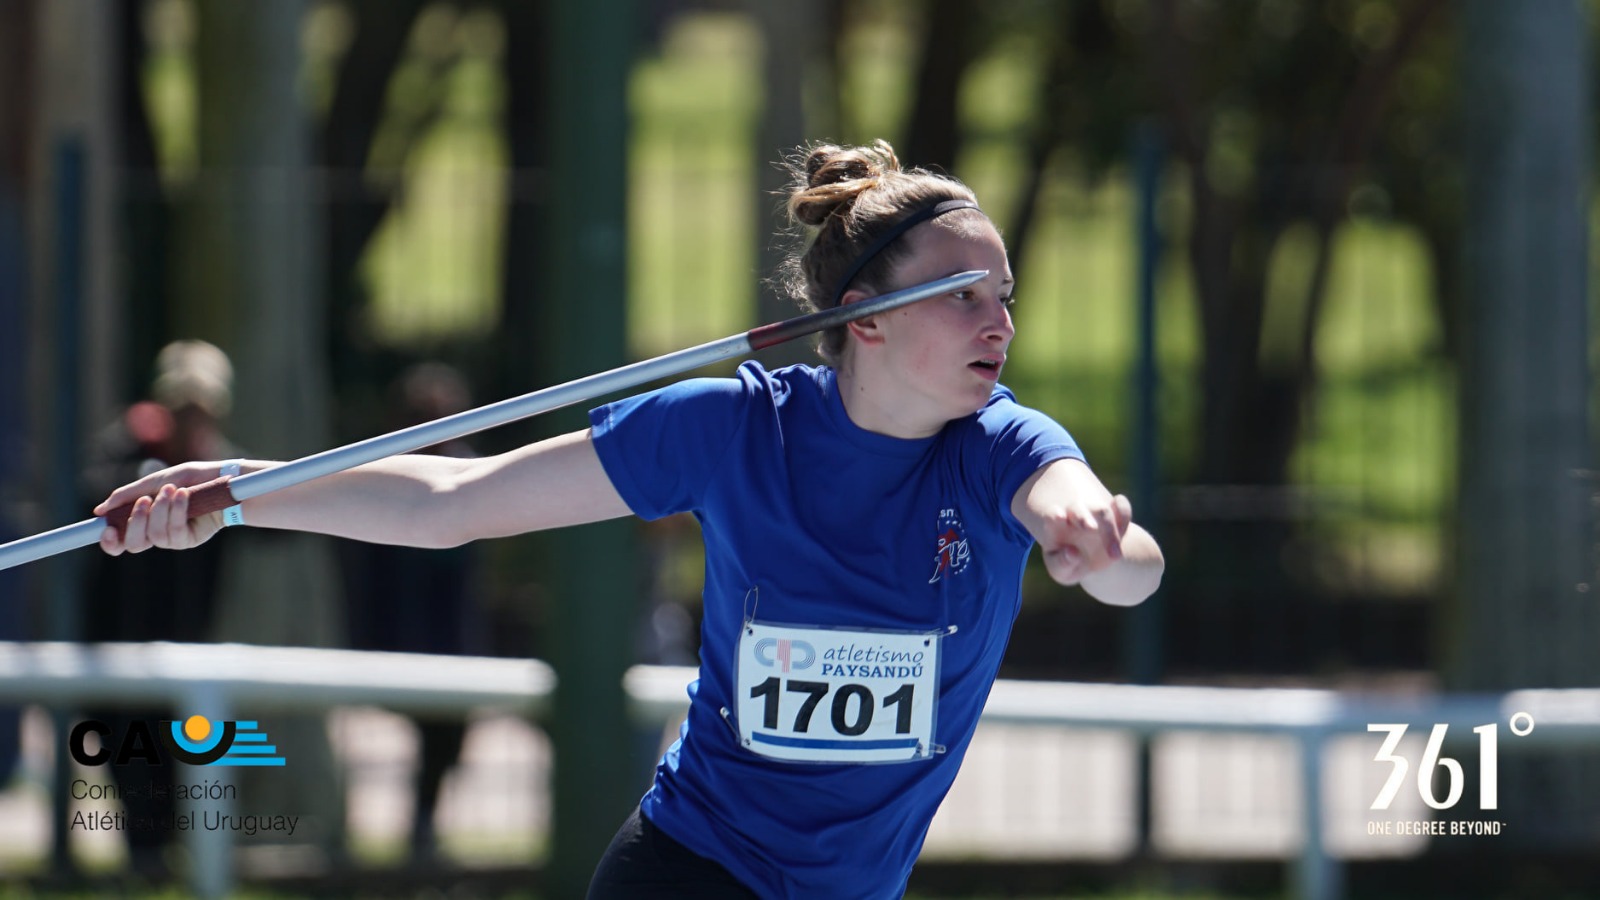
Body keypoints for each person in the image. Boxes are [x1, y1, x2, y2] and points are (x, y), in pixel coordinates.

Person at [95, 140, 1164, 899]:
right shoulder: (730, 430)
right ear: (862, 325)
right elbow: (453, 502)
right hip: (689, 869)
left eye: (1004, 292)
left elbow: (1113, 550)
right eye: (962, 294)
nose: (1001, 321)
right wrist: (232, 488)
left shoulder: (999, 448)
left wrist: (1098, 546)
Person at [80, 339, 242, 879]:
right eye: (183, 408)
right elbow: (93, 503)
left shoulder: (225, 472)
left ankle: (179, 873)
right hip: (120, 655)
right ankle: (145, 869)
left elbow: (269, 528)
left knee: (185, 775)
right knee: (133, 774)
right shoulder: (124, 459)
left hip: (188, 653)